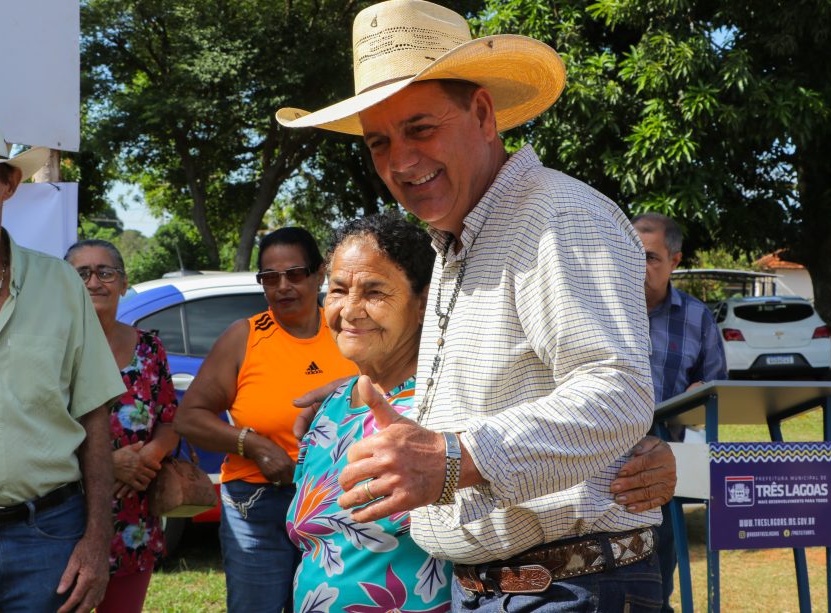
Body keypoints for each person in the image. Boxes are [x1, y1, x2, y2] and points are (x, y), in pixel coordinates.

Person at [277, 2, 675, 609]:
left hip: (565, 587)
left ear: (483, 114)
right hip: (508, 588)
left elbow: (617, 392)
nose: (400, 162)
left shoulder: (556, 217)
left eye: (420, 128)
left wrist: (453, 458)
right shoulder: (459, 240)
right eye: (379, 141)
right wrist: (345, 404)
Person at [0, 104, 125, 612]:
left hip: (48, 539)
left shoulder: (61, 283)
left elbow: (94, 412)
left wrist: (96, 542)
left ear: (9, 186)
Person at [175, 227, 357, 612]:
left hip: (335, 503)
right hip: (256, 504)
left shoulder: (347, 332)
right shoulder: (245, 336)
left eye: (295, 273)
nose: (283, 286)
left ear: (319, 273)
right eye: (270, 278)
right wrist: (253, 445)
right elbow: (189, 418)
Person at [287, 213, 451, 612]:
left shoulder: (444, 408)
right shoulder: (331, 408)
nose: (351, 309)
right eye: (339, 290)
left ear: (423, 303)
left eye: (375, 292)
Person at [65, 239, 180, 613]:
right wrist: (104, 465)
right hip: (65, 516)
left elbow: (169, 419)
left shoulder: (148, 348)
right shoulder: (51, 347)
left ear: (123, 282)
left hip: (135, 516)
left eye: (105, 272)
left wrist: (149, 456)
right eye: (81, 273)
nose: (94, 282)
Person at [633, 212, 727, 612]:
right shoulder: (602, 308)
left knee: (656, 585)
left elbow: (716, 391)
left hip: (662, 471)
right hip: (597, 470)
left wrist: (698, 395)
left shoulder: (697, 317)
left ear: (675, 260)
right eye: (632, 254)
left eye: (652, 257)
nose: (641, 266)